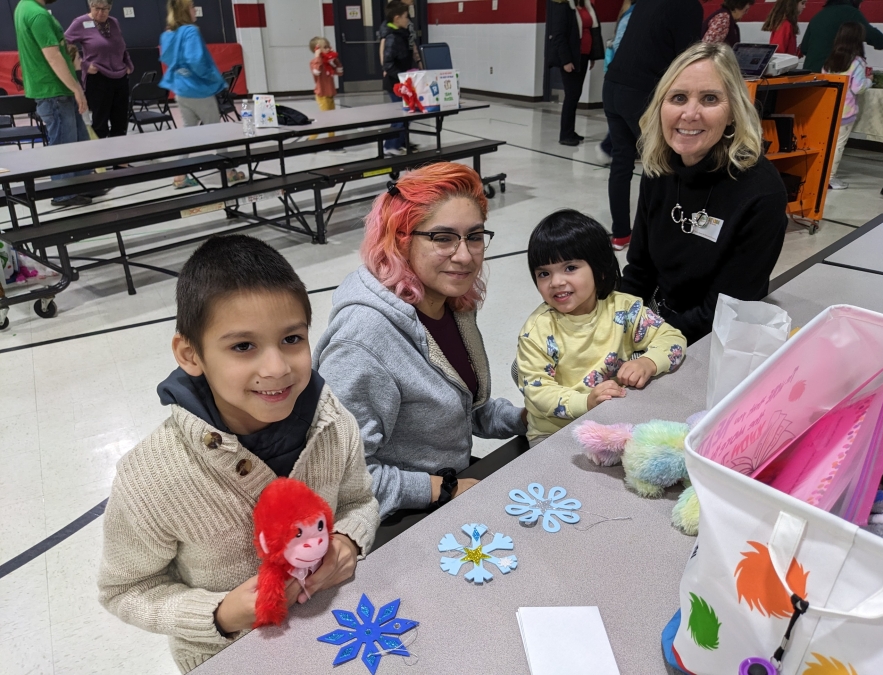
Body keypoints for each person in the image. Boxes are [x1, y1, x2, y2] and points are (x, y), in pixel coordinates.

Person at [97, 234, 379, 673]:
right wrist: (220, 614)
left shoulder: (332, 421)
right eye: (243, 346)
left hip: (334, 632)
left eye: (291, 338)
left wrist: (348, 538)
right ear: (191, 354)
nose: (277, 368)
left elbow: (360, 500)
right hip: (229, 657)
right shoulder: (151, 477)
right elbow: (125, 589)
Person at [313, 163, 527, 519]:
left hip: (447, 485)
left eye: (474, 236)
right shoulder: (363, 339)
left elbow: (461, 408)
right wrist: (442, 489)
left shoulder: (450, 305)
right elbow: (338, 478)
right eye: (443, 238)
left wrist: (526, 417)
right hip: (396, 518)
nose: (465, 255)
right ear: (401, 240)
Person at [619, 42, 788, 345]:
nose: (690, 113)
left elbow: (724, 310)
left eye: (710, 99)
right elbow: (639, 270)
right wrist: (614, 323)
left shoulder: (761, 192)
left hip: (710, 336)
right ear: (661, 106)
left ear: (734, 112)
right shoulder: (660, 166)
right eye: (678, 97)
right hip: (659, 317)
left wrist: (648, 345)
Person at [517, 210, 686, 446]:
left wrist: (648, 362)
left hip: (611, 420)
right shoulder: (538, 330)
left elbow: (673, 338)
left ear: (600, 269)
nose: (556, 282)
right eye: (544, 273)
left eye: (570, 268)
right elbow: (538, 393)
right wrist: (586, 403)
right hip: (554, 432)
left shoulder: (623, 310)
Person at [602, 0, 704, 251]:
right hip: (640, 91)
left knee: (622, 161)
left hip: (613, 85)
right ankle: (657, 235)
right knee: (662, 162)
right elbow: (687, 60)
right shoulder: (689, 6)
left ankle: (620, 234)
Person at [14, 0, 96, 206]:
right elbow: (53, 57)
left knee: (80, 141)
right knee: (63, 144)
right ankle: (63, 193)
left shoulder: (24, 7)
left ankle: (85, 184)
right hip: (53, 90)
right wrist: (77, 88)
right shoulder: (37, 14)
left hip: (58, 89)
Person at [159, 0, 243, 188]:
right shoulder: (190, 31)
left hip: (181, 91)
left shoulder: (168, 33)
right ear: (184, 11)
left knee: (189, 133)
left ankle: (179, 176)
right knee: (217, 132)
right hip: (199, 91)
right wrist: (213, 79)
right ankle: (229, 172)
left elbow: (167, 58)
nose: (194, 9)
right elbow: (195, 61)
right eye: (191, 6)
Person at [64, 0, 133, 140]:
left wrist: (128, 64)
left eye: (105, 9)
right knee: (100, 124)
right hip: (98, 78)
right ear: (90, 6)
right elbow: (64, 44)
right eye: (97, 8)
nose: (101, 12)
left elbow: (121, 46)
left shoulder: (114, 22)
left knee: (120, 124)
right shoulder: (80, 22)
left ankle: (121, 161)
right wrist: (83, 65)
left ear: (110, 8)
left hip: (120, 78)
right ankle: (102, 160)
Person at [823, 22, 873, 190]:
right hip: (846, 112)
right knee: (838, 145)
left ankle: (821, 174)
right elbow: (858, 88)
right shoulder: (856, 62)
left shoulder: (830, 60)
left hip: (829, 108)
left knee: (827, 143)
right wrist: (870, 80)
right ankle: (830, 178)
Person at [547, 0, 603, 147]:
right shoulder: (563, 6)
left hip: (583, 57)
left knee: (576, 95)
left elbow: (592, 31)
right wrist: (565, 60)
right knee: (571, 96)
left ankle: (570, 131)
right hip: (571, 58)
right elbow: (559, 36)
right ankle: (565, 134)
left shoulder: (586, 6)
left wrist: (592, 56)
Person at [799, 0, 883, 74]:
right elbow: (870, 33)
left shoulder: (818, 16)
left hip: (809, 73)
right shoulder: (851, 12)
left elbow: (804, 48)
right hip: (833, 75)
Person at [598, 0, 637, 166]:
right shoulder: (632, 14)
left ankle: (609, 148)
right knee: (623, 119)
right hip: (624, 77)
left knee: (622, 120)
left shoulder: (629, 12)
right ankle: (607, 148)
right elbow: (620, 44)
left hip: (620, 76)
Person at [381, 0, 414, 157]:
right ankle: (389, 146)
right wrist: (402, 77)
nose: (407, 19)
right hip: (395, 83)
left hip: (403, 82)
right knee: (400, 116)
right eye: (405, 16)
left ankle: (399, 143)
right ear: (396, 18)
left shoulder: (402, 34)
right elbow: (387, 63)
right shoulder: (392, 37)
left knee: (407, 114)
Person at [308, 36, 343, 139]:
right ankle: (311, 140)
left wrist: (335, 59)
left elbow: (340, 72)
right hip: (322, 95)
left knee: (332, 119)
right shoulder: (314, 62)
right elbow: (317, 71)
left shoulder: (329, 63)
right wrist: (318, 57)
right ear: (317, 49)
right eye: (325, 47)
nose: (328, 49)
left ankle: (331, 140)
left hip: (330, 94)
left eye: (329, 46)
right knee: (325, 119)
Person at [379, 0, 422, 71]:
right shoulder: (391, 32)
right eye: (406, 17)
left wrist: (418, 60)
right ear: (397, 19)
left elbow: (410, 39)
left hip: (407, 59)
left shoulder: (404, 17)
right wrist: (385, 68)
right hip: (397, 69)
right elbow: (384, 46)